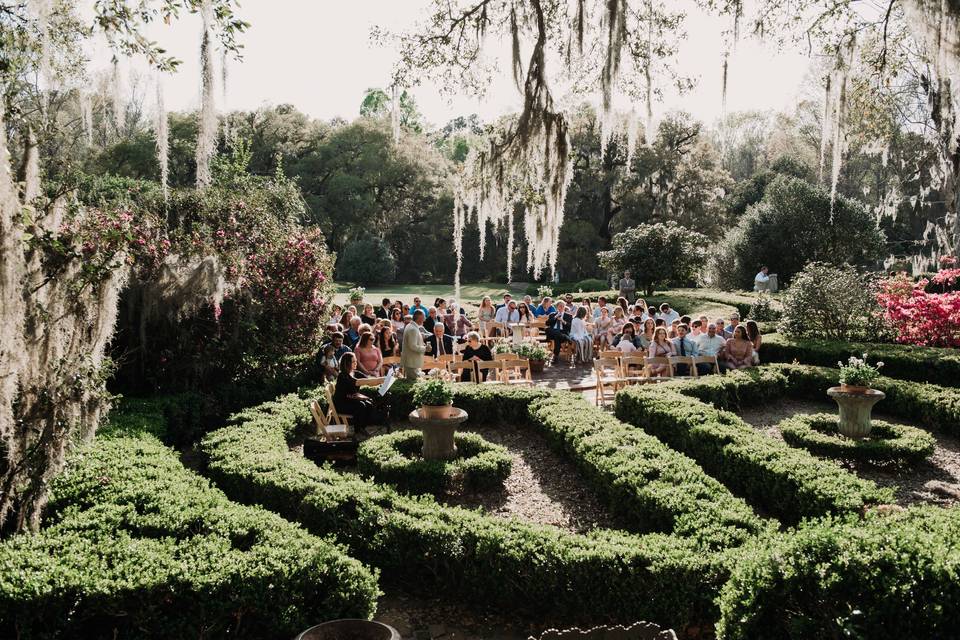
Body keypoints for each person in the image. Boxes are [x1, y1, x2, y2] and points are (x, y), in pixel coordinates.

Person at [333, 352, 377, 431]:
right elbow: (359, 382)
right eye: (354, 361)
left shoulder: (355, 373)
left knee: (369, 404)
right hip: (341, 404)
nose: (356, 363)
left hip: (351, 400)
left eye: (356, 361)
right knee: (361, 406)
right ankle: (357, 430)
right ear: (347, 363)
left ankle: (363, 427)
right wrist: (383, 379)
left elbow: (369, 380)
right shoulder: (342, 376)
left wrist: (384, 380)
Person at [401, 310, 428, 378]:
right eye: (424, 317)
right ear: (419, 318)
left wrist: (422, 344)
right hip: (412, 363)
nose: (424, 319)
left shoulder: (411, 326)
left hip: (412, 362)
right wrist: (425, 348)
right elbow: (412, 346)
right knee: (413, 384)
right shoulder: (412, 329)